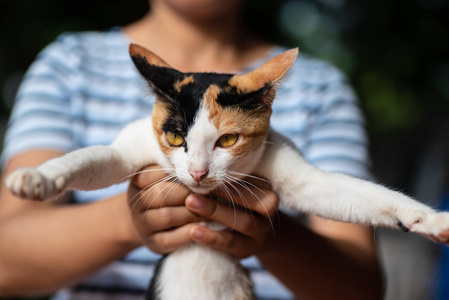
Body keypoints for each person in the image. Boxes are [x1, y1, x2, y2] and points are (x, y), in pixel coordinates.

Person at [0, 0, 383, 299]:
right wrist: (133, 218)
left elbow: (363, 290)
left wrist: (268, 233)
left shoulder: (319, 89)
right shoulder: (69, 65)